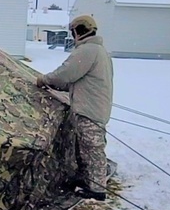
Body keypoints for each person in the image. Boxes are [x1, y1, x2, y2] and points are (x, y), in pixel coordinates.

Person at [35, 14, 114, 200]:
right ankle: (88, 179)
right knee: (85, 147)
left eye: (73, 32)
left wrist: (44, 80)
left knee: (92, 147)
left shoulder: (87, 51)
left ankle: (97, 189)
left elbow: (66, 74)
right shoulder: (100, 52)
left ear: (78, 31)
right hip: (95, 106)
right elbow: (75, 80)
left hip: (90, 109)